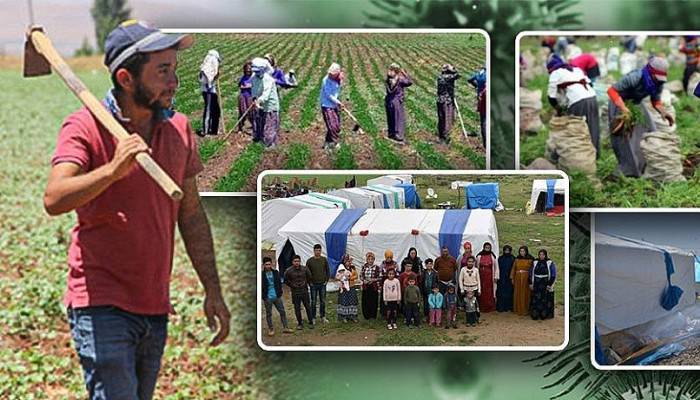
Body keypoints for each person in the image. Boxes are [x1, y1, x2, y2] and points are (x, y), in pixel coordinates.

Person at [43, 20, 230, 398]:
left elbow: (191, 214)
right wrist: (112, 171)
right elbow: (54, 198)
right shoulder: (85, 127)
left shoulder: (179, 130)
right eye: (162, 71)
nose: (174, 81)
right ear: (127, 79)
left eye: (174, 69)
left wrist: (213, 289)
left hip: (153, 304)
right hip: (100, 303)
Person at [607, 56, 674, 177]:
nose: (658, 80)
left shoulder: (658, 82)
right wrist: (624, 109)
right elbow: (612, 91)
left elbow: (655, 101)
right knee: (624, 138)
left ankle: (646, 165)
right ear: (650, 71)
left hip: (636, 104)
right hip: (619, 103)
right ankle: (628, 171)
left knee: (650, 131)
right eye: (656, 77)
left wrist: (663, 112)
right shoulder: (635, 77)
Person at [546, 54, 600, 156]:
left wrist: (558, 109)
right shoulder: (576, 69)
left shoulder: (555, 73)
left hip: (577, 101)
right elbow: (590, 84)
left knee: (577, 130)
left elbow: (551, 96)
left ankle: (580, 156)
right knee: (593, 126)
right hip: (592, 97)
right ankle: (595, 155)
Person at [251, 57, 280, 148]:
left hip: (270, 106)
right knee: (261, 125)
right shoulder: (254, 78)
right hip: (260, 105)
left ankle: (270, 146)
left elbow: (266, 95)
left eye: (257, 71)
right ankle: (263, 143)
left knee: (270, 126)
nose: (256, 73)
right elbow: (254, 90)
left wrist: (258, 101)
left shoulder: (268, 79)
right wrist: (254, 98)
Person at [261, 257, 292, 336]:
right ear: (263, 265)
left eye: (269, 264)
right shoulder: (261, 275)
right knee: (269, 314)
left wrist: (280, 292)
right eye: (266, 264)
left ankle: (286, 327)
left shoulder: (275, 272)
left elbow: (279, 283)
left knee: (282, 311)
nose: (268, 266)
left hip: (277, 296)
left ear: (271, 264)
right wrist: (264, 297)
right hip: (267, 297)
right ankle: (271, 329)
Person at [384, 63, 413, 144]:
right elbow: (410, 82)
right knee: (398, 118)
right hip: (396, 101)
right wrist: (404, 73)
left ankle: (391, 133)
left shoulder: (388, 80)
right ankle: (399, 135)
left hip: (388, 101)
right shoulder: (400, 80)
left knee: (390, 117)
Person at [284, 255, 314, 329]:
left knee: (308, 307)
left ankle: (311, 322)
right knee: (297, 308)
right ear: (292, 262)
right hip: (295, 292)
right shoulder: (288, 270)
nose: (297, 263)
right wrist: (292, 285)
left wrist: (306, 283)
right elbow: (285, 280)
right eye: (295, 261)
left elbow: (310, 277)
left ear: (300, 261)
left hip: (304, 291)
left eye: (298, 261)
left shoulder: (305, 269)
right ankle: (300, 323)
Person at [320, 62, 344, 149]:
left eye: (333, 74)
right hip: (326, 105)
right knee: (332, 125)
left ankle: (327, 143)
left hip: (334, 105)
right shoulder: (325, 80)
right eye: (330, 73)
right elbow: (329, 95)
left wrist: (341, 80)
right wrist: (338, 102)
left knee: (336, 124)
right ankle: (335, 143)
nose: (331, 75)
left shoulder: (338, 78)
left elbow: (338, 90)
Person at [198, 49, 222, 136]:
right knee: (208, 110)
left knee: (216, 110)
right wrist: (209, 84)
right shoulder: (211, 61)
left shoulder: (209, 62)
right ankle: (206, 131)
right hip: (208, 91)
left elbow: (214, 74)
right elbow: (207, 76)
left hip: (211, 90)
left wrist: (216, 75)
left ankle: (214, 130)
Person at [529, 249, 557, 320]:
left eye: (543, 255)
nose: (541, 256)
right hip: (536, 283)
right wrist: (530, 283)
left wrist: (549, 284)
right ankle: (535, 314)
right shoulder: (535, 262)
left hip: (545, 283)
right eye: (540, 254)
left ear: (545, 255)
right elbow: (530, 272)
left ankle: (543, 315)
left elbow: (553, 274)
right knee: (536, 299)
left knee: (545, 299)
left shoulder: (549, 263)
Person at [436, 64, 461, 144]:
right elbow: (458, 75)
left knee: (441, 119)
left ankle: (441, 136)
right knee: (447, 119)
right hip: (447, 101)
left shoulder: (440, 77)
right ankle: (446, 137)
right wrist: (453, 68)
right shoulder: (448, 77)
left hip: (439, 100)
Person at [306, 244, 330, 324]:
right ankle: (313, 318)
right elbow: (307, 273)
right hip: (313, 285)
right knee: (313, 301)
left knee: (322, 301)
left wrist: (326, 280)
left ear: (321, 251)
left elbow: (327, 270)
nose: (318, 252)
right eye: (316, 250)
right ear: (314, 251)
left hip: (322, 284)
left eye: (319, 250)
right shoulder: (309, 261)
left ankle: (323, 316)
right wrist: (309, 282)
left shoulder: (324, 259)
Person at [511, 246, 535, 316]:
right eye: (521, 251)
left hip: (526, 278)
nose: (522, 252)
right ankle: (518, 309)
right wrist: (512, 278)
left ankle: (525, 309)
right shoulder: (517, 259)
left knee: (526, 293)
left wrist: (531, 279)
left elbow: (532, 270)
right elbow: (513, 269)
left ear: (526, 251)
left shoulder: (530, 259)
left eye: (523, 251)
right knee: (517, 293)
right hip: (517, 278)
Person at [335, 255, 359, 323]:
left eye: (349, 261)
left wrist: (350, 278)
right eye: (346, 261)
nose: (348, 262)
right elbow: (336, 277)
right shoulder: (341, 268)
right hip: (343, 287)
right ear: (344, 262)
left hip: (351, 286)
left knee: (352, 301)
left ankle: (353, 316)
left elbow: (356, 276)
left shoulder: (352, 268)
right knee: (344, 301)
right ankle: (344, 316)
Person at [476, 242, 498, 313]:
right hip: (481, 276)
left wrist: (496, 276)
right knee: (482, 290)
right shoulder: (479, 256)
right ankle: (482, 306)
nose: (487, 249)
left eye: (488, 248)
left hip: (489, 276)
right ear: (484, 247)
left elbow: (496, 267)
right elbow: (476, 267)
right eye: (486, 247)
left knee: (489, 291)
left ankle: (490, 307)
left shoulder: (492, 256)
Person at [467, 66, 487, 145]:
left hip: (481, 98)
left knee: (483, 120)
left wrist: (477, 86)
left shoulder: (479, 74)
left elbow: (470, 79)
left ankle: (485, 141)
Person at [360, 252, 381, 320]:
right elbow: (361, 276)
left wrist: (373, 280)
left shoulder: (377, 267)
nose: (370, 261)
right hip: (366, 286)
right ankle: (366, 315)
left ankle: (373, 315)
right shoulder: (364, 267)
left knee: (373, 301)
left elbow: (380, 277)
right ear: (367, 260)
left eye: (372, 259)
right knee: (366, 300)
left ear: (374, 260)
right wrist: (364, 280)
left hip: (373, 286)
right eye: (369, 259)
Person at [236, 60, 255, 133]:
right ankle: (240, 127)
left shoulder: (253, 77)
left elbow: (255, 86)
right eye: (247, 69)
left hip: (250, 96)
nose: (248, 70)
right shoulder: (243, 77)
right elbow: (240, 85)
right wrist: (242, 86)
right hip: (243, 96)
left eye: (249, 69)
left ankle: (254, 127)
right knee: (242, 112)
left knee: (251, 112)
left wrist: (249, 86)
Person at [379, 249, 398, 318]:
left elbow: (397, 273)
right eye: (387, 257)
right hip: (385, 282)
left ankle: (393, 313)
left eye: (390, 257)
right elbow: (380, 274)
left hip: (393, 283)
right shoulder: (383, 264)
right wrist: (380, 285)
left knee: (393, 298)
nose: (389, 259)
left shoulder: (395, 264)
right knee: (385, 297)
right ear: (385, 257)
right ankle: (384, 313)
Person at [496, 245, 515, 312]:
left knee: (509, 292)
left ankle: (508, 307)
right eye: (505, 250)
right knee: (501, 292)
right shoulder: (500, 258)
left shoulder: (513, 258)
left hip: (509, 278)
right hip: (502, 278)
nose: (507, 252)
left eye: (508, 250)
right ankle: (501, 307)